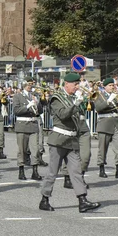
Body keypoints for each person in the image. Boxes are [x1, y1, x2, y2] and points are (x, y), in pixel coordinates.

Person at [39, 73, 101, 213]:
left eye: (78, 84)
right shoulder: (56, 98)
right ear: (66, 84)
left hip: (72, 140)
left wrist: (81, 102)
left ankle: (82, 200)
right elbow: (63, 115)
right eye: (75, 84)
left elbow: (79, 117)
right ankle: (44, 199)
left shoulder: (72, 98)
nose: (77, 87)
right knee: (52, 172)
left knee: (76, 171)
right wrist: (76, 103)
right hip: (59, 140)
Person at [12, 76, 44, 181]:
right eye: (29, 84)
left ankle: (35, 172)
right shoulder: (17, 96)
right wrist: (27, 106)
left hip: (33, 125)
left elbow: (40, 111)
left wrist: (38, 102)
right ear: (24, 85)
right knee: (22, 150)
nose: (31, 86)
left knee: (35, 150)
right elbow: (16, 111)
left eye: (32, 84)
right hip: (22, 125)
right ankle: (21, 171)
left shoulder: (33, 96)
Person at [94, 77, 118, 179]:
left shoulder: (116, 96)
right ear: (105, 87)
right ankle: (101, 169)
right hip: (104, 124)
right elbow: (98, 108)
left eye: (113, 85)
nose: (112, 87)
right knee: (103, 148)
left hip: (116, 123)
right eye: (110, 85)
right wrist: (109, 100)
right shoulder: (99, 96)